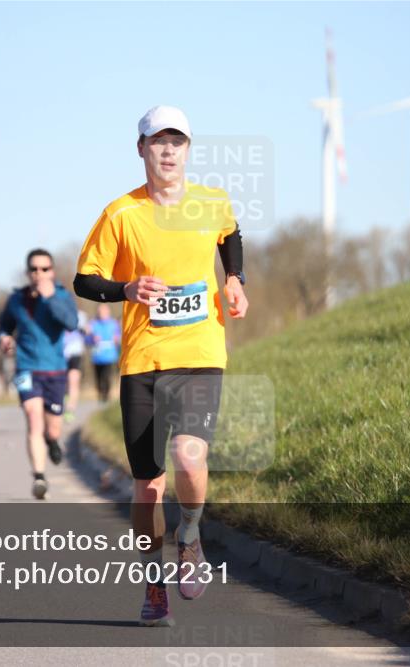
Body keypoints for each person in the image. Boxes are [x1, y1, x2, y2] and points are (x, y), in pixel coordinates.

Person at [74, 106, 248, 626]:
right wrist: (125, 288)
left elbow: (230, 237)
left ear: (188, 150)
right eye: (158, 141)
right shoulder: (120, 214)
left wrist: (235, 280)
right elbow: (85, 280)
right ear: (141, 149)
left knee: (190, 460)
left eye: (178, 142)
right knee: (148, 485)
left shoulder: (212, 201)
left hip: (199, 356)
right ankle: (153, 584)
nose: (168, 151)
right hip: (143, 364)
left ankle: (190, 535)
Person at [0, 249, 79, 500]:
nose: (38, 273)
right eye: (34, 269)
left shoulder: (62, 295)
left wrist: (51, 298)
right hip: (26, 368)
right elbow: (4, 327)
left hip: (55, 370)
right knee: (33, 418)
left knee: (52, 428)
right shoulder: (16, 300)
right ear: (27, 272)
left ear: (52, 272)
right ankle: (39, 477)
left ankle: (53, 441)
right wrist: (4, 339)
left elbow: (71, 323)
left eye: (44, 269)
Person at [87, 303, 120, 403]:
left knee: (107, 376)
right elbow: (87, 340)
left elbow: (118, 337)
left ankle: (106, 396)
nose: (102, 313)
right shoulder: (93, 323)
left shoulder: (113, 323)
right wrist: (92, 338)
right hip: (97, 356)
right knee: (98, 377)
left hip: (110, 355)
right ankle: (101, 394)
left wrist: (116, 339)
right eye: (100, 311)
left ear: (108, 311)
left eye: (104, 310)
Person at [62, 309, 88, 422]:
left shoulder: (80, 315)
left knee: (73, 381)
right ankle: (65, 399)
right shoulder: (55, 311)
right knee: (63, 383)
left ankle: (70, 410)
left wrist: (85, 330)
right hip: (60, 353)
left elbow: (86, 331)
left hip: (75, 352)